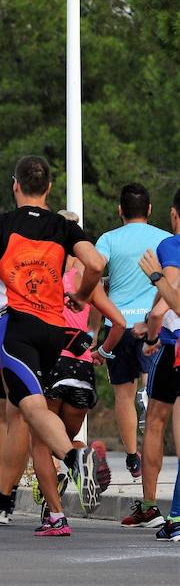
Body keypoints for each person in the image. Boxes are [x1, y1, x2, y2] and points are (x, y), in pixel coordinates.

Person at [0, 156, 107, 521]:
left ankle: (74, 458)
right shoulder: (63, 226)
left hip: (18, 326)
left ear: (16, 185)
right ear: (47, 189)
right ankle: (6, 495)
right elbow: (95, 264)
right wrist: (82, 293)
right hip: (53, 331)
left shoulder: (3, 223)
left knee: (28, 408)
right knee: (28, 411)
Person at [30, 209, 124, 537]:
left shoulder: (44, 274)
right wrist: (98, 348)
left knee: (42, 443)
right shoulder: (89, 282)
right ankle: (84, 455)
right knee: (65, 442)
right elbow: (119, 323)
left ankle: (55, 516)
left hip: (52, 363)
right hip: (83, 368)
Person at [94, 183, 170, 478]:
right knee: (154, 390)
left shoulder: (108, 239)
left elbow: (95, 271)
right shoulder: (163, 239)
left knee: (122, 396)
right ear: (149, 209)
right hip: (153, 323)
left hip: (119, 326)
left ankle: (132, 457)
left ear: (120, 210)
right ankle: (147, 396)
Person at [132, 187, 180, 536]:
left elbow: (168, 300)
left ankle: (155, 506)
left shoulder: (171, 246)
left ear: (175, 215)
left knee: (157, 422)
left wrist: (151, 335)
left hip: (173, 347)